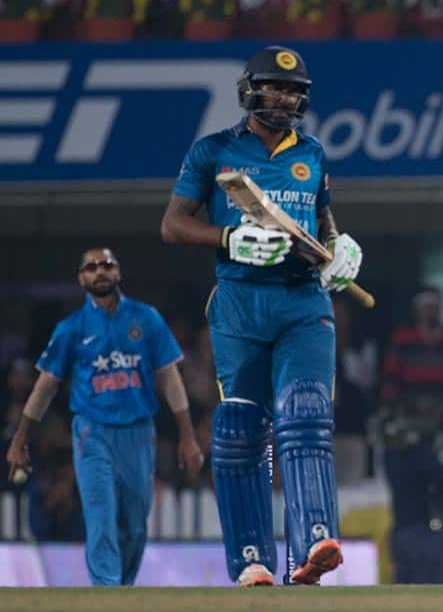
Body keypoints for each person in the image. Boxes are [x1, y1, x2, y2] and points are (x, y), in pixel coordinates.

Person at [160, 45, 363, 587]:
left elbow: (321, 222)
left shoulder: (313, 152)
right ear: (250, 89)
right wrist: (230, 237)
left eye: (296, 90)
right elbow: (173, 225)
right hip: (239, 304)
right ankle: (251, 559)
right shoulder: (214, 151)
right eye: (276, 87)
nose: (287, 97)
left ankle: (314, 542)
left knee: (304, 413)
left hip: (302, 302)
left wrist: (339, 249)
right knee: (241, 429)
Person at [4, 247, 202, 585]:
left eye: (107, 265)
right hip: (92, 432)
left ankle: (120, 590)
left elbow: (169, 377)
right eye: (91, 267)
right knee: (101, 516)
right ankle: (105, 593)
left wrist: (187, 435)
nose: (100, 271)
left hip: (138, 433)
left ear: (119, 273)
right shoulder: (72, 328)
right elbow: (46, 384)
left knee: (136, 523)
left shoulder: (146, 318)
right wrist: (21, 436)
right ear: (81, 278)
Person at [379, 286, 443, 583]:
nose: (429, 310)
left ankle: (440, 572)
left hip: (441, 437)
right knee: (408, 509)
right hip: (405, 439)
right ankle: (406, 573)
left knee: (441, 504)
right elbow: (389, 386)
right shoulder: (402, 339)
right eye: (424, 305)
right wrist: (402, 420)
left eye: (434, 305)